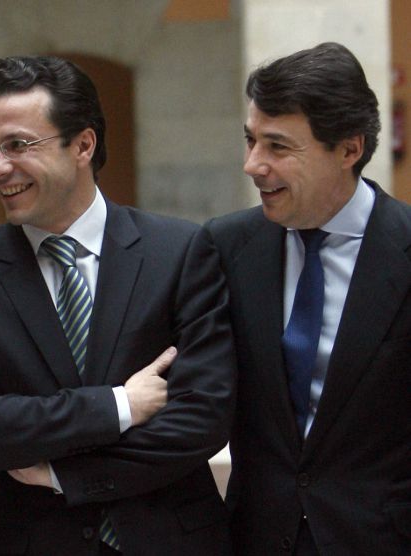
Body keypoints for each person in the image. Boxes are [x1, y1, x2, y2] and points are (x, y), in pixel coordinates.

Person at [0, 55, 236, 555]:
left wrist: (57, 472)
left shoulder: (179, 253)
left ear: (83, 145)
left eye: (17, 145)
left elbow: (202, 420)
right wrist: (119, 406)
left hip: (168, 539)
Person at [204, 42, 411, 555]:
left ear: (348, 150)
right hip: (255, 537)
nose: (253, 165)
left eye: (277, 147)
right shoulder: (226, 247)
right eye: (250, 140)